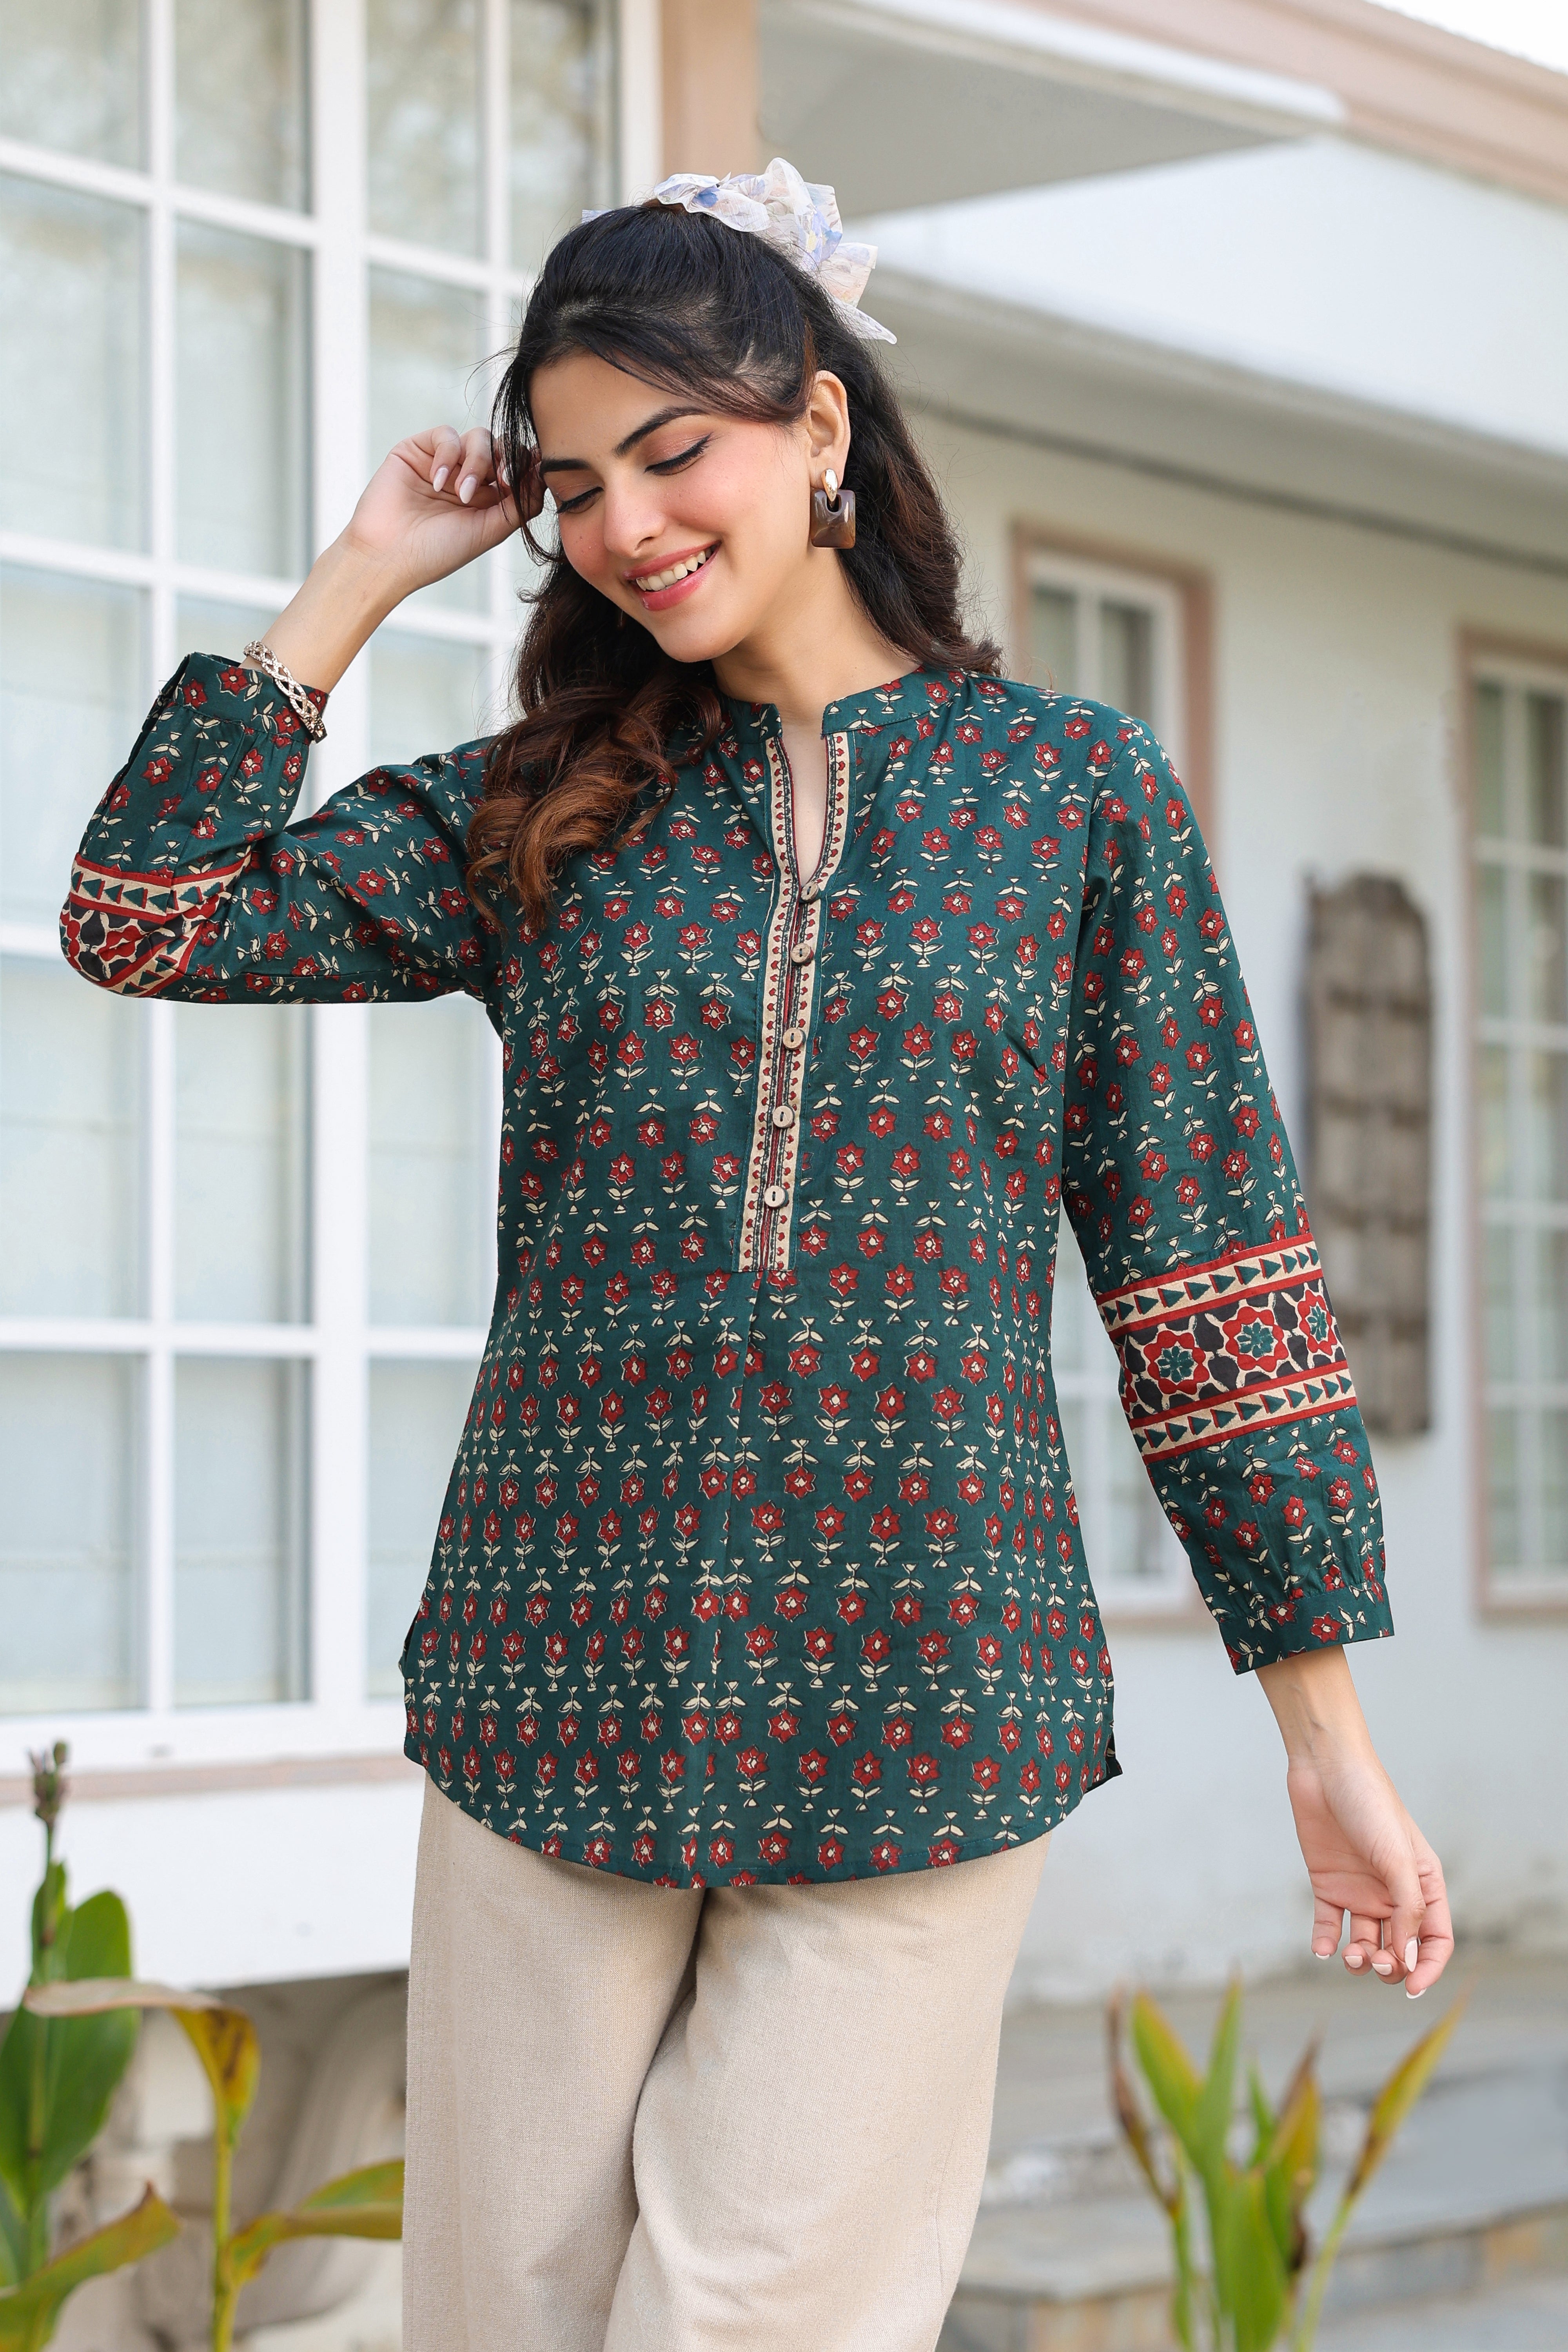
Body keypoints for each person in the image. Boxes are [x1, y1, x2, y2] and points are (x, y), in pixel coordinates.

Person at [64, 158, 1452, 2352]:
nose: (626, 524)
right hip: (557, 1674)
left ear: (819, 428)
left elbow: (1211, 1272)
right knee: (508, 2319)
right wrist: (364, 570)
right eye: (573, 487)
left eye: (672, 451)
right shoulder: (543, 810)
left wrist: (1324, 1730)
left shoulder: (1071, 798)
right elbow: (145, 914)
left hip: (929, 1691)